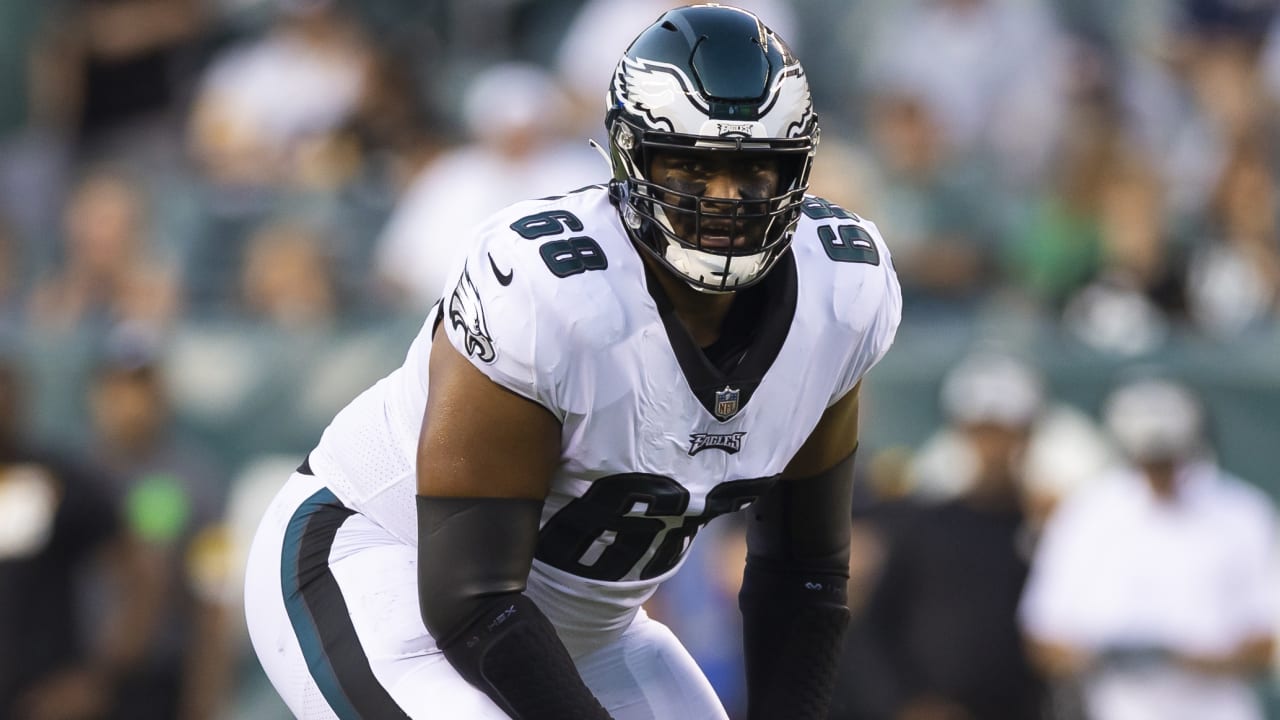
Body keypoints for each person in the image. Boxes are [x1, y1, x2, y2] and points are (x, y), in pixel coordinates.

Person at [243, 4, 901, 719]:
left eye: (752, 169)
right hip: (385, 571)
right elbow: (472, 599)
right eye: (690, 163)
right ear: (630, 157)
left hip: (590, 633)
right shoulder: (551, 291)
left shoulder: (843, 295)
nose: (724, 199)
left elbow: (803, 574)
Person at [1019, 376, 1278, 720]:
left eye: (1167, 456)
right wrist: (1104, 656)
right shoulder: (1087, 513)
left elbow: (1266, 641)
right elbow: (1043, 638)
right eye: (1147, 456)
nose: (1158, 473)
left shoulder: (1243, 512)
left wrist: (1188, 659)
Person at [830, 353, 1049, 720]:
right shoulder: (922, 527)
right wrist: (908, 705)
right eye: (982, 432)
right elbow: (870, 632)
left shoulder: (1048, 533)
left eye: (1005, 432)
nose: (993, 448)